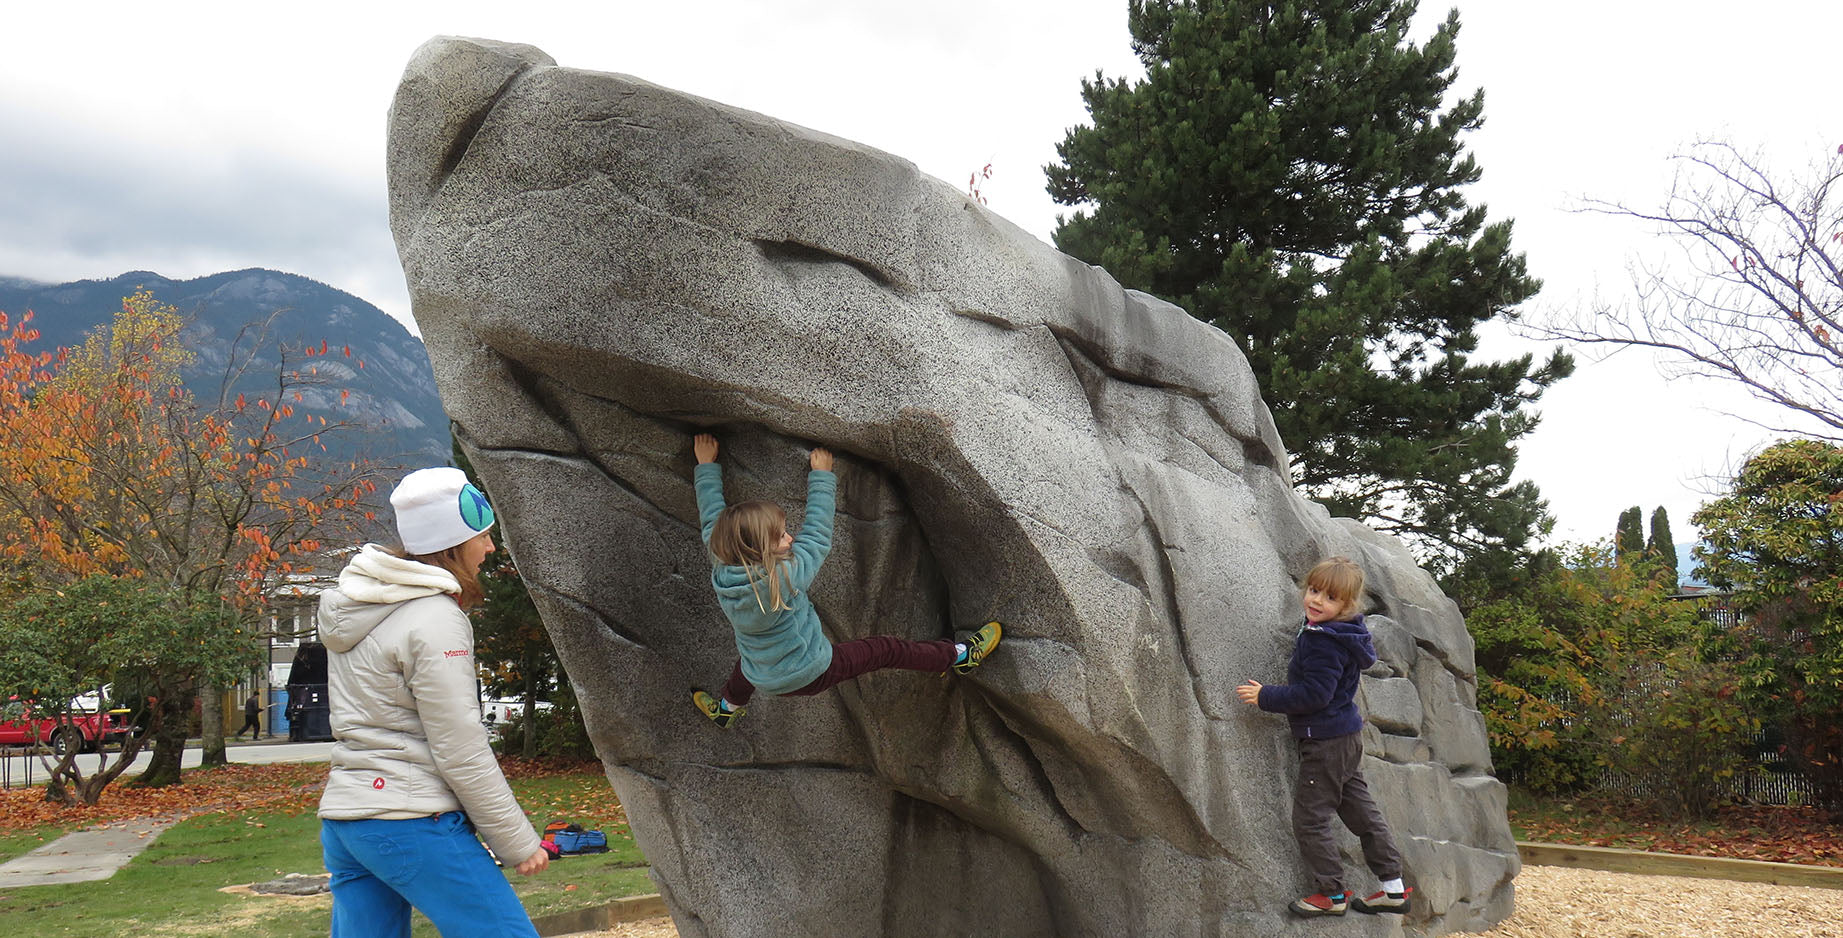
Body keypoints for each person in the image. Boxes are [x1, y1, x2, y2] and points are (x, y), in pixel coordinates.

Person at [316, 467, 548, 938]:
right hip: (411, 820)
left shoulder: (359, 608)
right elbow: (460, 746)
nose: (490, 548)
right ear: (451, 545)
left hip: (347, 822)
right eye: (481, 537)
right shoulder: (435, 617)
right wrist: (517, 842)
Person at [688, 433, 1002, 728]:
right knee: (885, 649)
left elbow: (712, 522)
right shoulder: (784, 576)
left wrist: (705, 466)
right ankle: (958, 656)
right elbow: (817, 537)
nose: (790, 538)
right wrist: (822, 476)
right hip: (812, 671)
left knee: (749, 662)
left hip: (760, 672)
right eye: (781, 537)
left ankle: (726, 711)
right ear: (758, 553)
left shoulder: (722, 567)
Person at [1234, 557, 1410, 918]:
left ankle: (1331, 894)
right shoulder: (1345, 633)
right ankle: (1392, 888)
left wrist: (1266, 696)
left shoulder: (1324, 643)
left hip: (1326, 742)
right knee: (1362, 812)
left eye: (1328, 598)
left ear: (1346, 606)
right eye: (1313, 591)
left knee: (1310, 818)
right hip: (1345, 737)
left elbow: (1316, 694)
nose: (1315, 601)